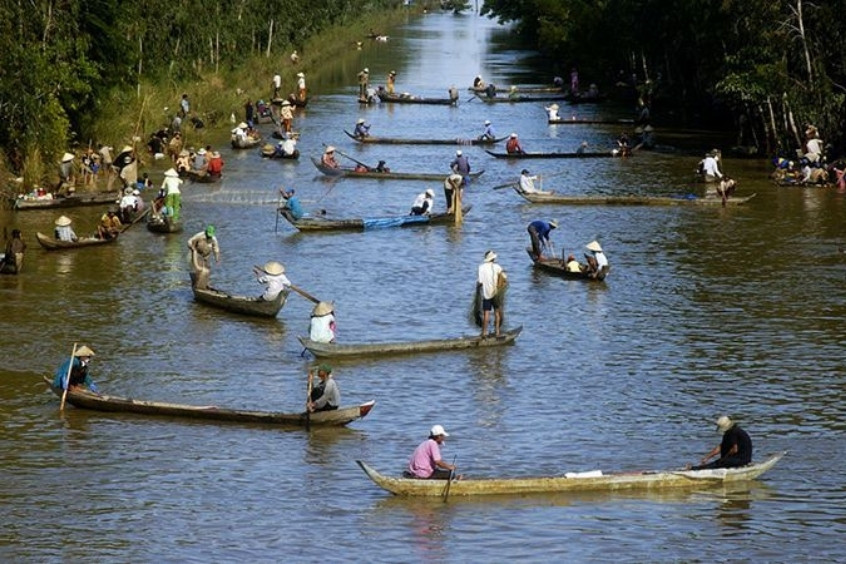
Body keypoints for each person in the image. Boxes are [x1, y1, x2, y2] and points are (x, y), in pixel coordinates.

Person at [477, 250, 506, 338]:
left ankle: (484, 332)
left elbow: (480, 282)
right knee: (497, 312)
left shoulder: (481, 267)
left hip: (486, 294)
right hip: (496, 293)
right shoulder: (497, 267)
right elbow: (504, 277)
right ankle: (497, 331)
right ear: (493, 259)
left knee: (486, 313)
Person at [187, 225, 221, 289]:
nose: (209, 236)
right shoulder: (199, 235)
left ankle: (205, 284)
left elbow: (216, 249)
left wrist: (217, 258)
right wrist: (192, 248)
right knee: (196, 270)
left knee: (206, 271)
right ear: (206, 232)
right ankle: (196, 285)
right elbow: (189, 241)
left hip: (206, 256)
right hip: (196, 254)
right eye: (208, 235)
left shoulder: (214, 239)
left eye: (210, 235)